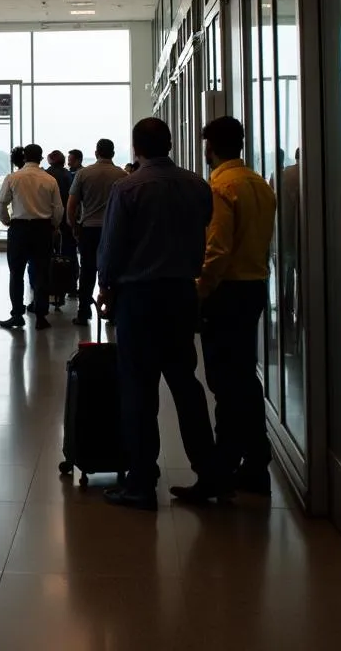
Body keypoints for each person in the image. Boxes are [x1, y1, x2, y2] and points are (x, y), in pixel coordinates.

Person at [96, 118, 221, 510]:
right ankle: (209, 473)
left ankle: (141, 481)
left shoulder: (128, 188)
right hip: (183, 294)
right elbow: (202, 229)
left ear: (135, 148)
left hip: (139, 299)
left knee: (138, 389)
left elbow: (112, 249)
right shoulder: (198, 186)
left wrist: (106, 288)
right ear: (169, 143)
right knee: (186, 384)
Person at [197, 116, 277, 496]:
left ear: (210, 147)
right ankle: (256, 460)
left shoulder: (221, 188)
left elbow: (217, 250)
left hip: (226, 292)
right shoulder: (258, 184)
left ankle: (224, 465)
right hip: (254, 285)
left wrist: (200, 290)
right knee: (244, 375)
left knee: (225, 381)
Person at [0, 144, 63, 332]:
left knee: (16, 273)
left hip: (19, 229)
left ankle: (17, 315)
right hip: (42, 229)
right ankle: (41, 316)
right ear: (41, 158)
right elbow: (58, 209)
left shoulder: (13, 178)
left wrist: (8, 221)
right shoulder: (50, 180)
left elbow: (0, 203)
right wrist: (53, 225)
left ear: (24, 157)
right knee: (42, 272)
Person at [68, 138, 127, 326]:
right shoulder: (123, 175)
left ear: (95, 153)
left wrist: (74, 226)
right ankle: (112, 310)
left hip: (89, 229)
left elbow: (72, 205)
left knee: (87, 271)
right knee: (114, 270)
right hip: (113, 230)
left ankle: (84, 312)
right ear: (113, 154)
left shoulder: (84, 174)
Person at [45, 149, 77, 304]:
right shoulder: (68, 175)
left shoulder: (46, 175)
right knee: (69, 252)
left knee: (47, 253)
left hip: (49, 219)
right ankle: (70, 284)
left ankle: (50, 285)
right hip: (68, 218)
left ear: (50, 160)